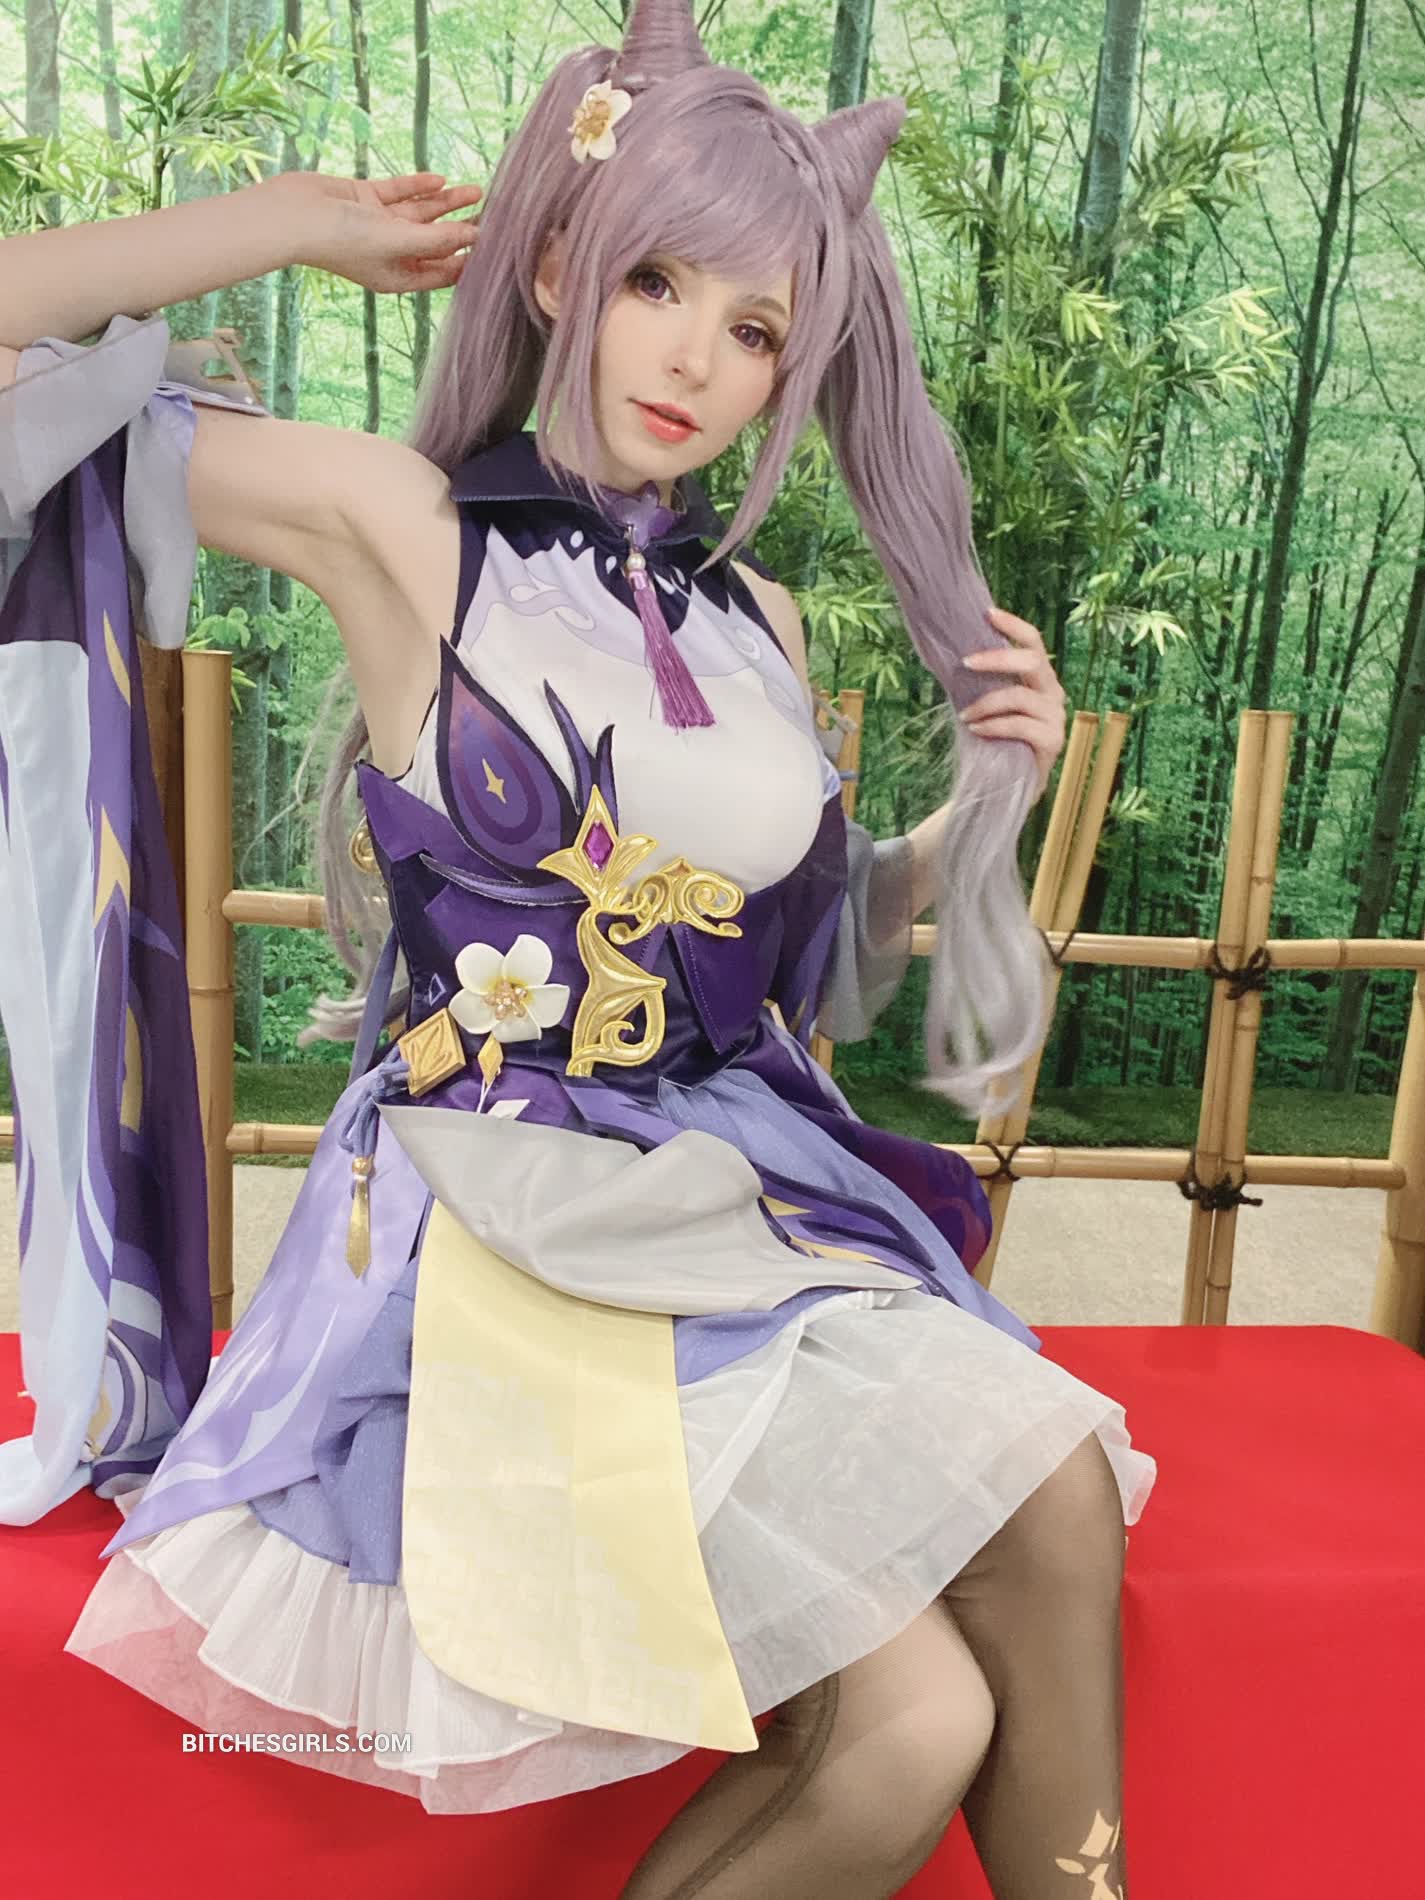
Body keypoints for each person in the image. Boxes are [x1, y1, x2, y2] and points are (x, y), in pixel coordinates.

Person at [0, 1, 1155, 1893]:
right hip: (504, 1212)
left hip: (731, 1191)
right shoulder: (406, 529)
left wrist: (973, 820)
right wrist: (291, 219)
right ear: (558, 269)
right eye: (658, 282)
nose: (698, 357)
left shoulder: (759, 616)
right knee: (982, 1599)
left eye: (759, 327)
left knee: (938, 1687)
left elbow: (799, 982)